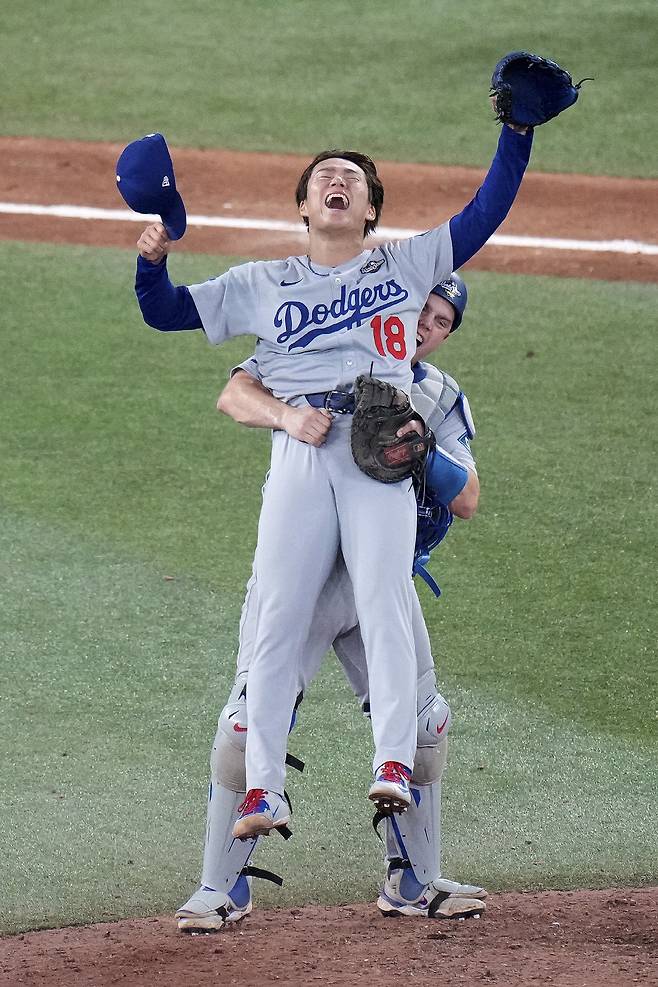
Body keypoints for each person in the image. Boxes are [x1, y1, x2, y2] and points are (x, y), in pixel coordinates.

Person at [135, 119, 532, 840]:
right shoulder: (262, 283)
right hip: (301, 452)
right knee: (278, 615)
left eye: (352, 178)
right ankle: (263, 790)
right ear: (304, 205)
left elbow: (486, 210)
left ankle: (393, 763)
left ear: (371, 209)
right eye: (325, 176)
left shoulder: (405, 265)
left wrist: (518, 133)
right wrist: (152, 260)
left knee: (384, 596)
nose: (338, 181)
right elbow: (164, 312)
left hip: (377, 454)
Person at [176, 276, 488, 931]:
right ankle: (221, 888)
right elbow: (235, 393)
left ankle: (413, 881)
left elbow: (467, 498)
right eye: (421, 310)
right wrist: (291, 415)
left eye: (441, 321)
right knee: (246, 725)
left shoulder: (437, 395)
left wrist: (421, 449)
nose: (426, 326)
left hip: (380, 580)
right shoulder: (319, 350)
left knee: (425, 725)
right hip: (303, 578)